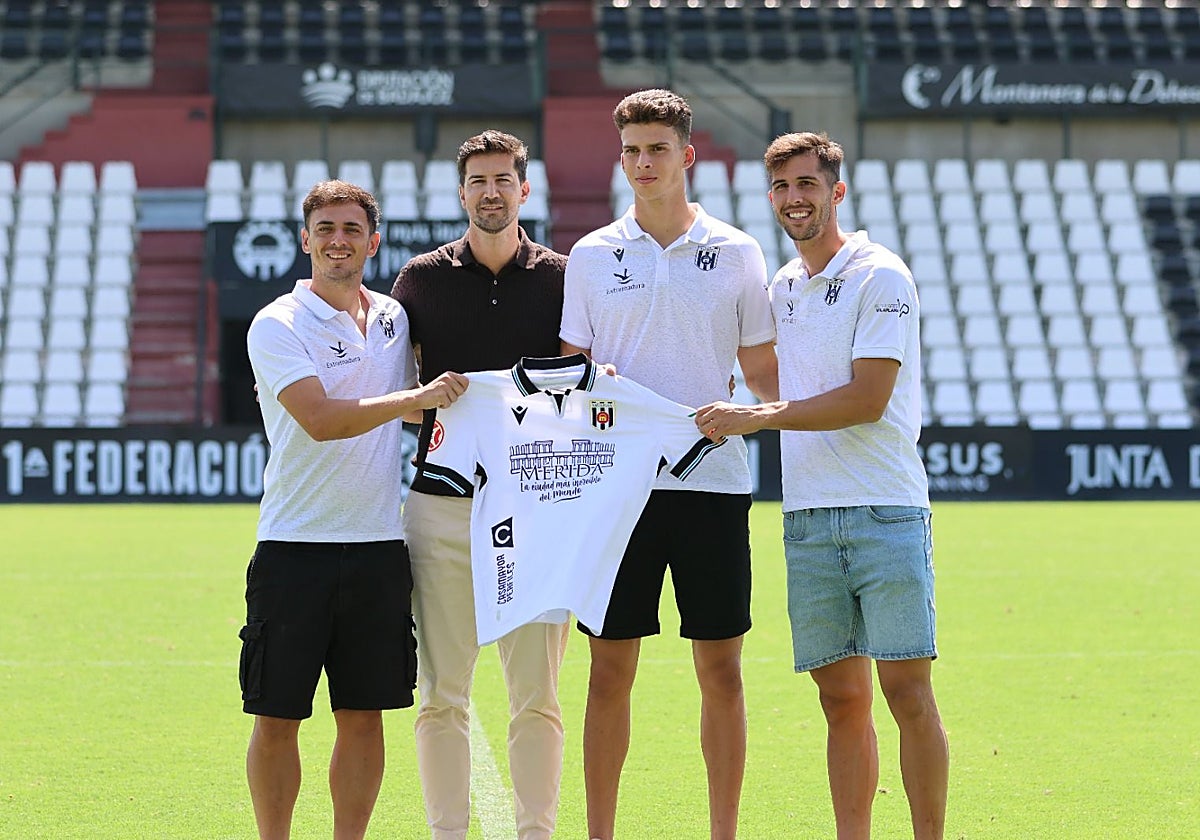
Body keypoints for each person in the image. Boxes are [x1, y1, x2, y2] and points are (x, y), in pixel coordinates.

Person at [693, 132, 950, 840]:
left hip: (885, 508)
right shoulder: (782, 286)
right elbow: (772, 379)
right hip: (806, 517)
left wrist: (756, 417)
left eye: (807, 184)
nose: (794, 199)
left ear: (836, 191)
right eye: (781, 187)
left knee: (906, 693)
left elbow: (867, 399)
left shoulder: (882, 275)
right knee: (840, 699)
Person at [559, 89, 778, 840]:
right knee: (608, 672)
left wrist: (814, 410)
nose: (643, 163)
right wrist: (595, 389)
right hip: (615, 491)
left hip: (713, 483)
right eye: (631, 151)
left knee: (720, 671)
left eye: (657, 149)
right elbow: (570, 375)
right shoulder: (590, 255)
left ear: (686, 155)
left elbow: (765, 376)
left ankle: (723, 832)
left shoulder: (740, 252)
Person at [239, 179, 467, 840]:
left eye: (351, 230)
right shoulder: (279, 322)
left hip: (378, 548)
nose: (338, 241)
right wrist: (414, 401)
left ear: (372, 241)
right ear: (305, 240)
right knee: (278, 716)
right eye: (325, 229)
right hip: (293, 548)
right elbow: (317, 418)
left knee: (365, 716)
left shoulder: (396, 320)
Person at [390, 130, 568, 840]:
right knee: (440, 697)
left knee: (538, 699)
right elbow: (393, 389)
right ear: (461, 192)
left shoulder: (563, 276)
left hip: (537, 511)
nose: (490, 192)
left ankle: (536, 833)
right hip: (441, 508)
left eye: (503, 180)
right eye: (477, 182)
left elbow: (587, 388)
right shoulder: (420, 280)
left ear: (525, 190)